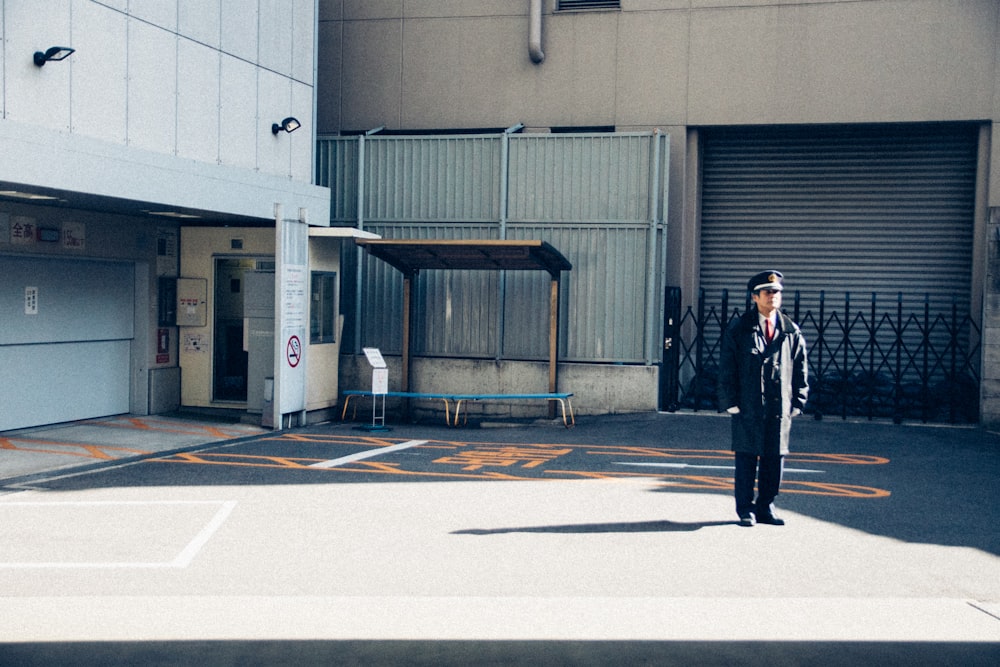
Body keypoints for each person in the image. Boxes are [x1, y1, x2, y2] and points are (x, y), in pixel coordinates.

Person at [717, 270, 809, 527]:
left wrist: (799, 400)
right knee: (746, 458)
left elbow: (800, 367)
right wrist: (730, 400)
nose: (773, 297)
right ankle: (745, 509)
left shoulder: (790, 330)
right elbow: (727, 366)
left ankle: (766, 506)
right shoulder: (740, 328)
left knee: (774, 459)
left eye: (776, 292)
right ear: (755, 297)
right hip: (748, 404)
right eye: (767, 292)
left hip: (779, 405)